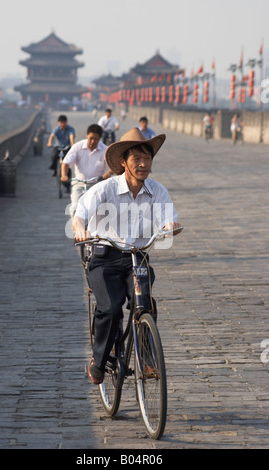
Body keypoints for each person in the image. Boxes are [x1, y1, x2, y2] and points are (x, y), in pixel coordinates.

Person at [73, 127, 182, 384]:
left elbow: (168, 218)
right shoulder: (106, 189)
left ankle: (146, 358)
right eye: (137, 160)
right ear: (124, 162)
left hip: (138, 258)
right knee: (110, 309)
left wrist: (170, 226)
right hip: (104, 257)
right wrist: (79, 227)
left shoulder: (157, 191)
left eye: (147, 159)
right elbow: (81, 211)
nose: (143, 164)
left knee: (145, 304)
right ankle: (98, 360)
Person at [61, 124, 113, 218]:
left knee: (99, 211)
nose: (93, 141)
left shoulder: (105, 150)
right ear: (86, 135)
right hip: (79, 184)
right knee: (75, 207)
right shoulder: (77, 147)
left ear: (100, 139)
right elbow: (66, 163)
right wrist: (64, 175)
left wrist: (107, 174)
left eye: (96, 139)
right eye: (91, 138)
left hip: (97, 185)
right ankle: (76, 230)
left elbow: (114, 165)